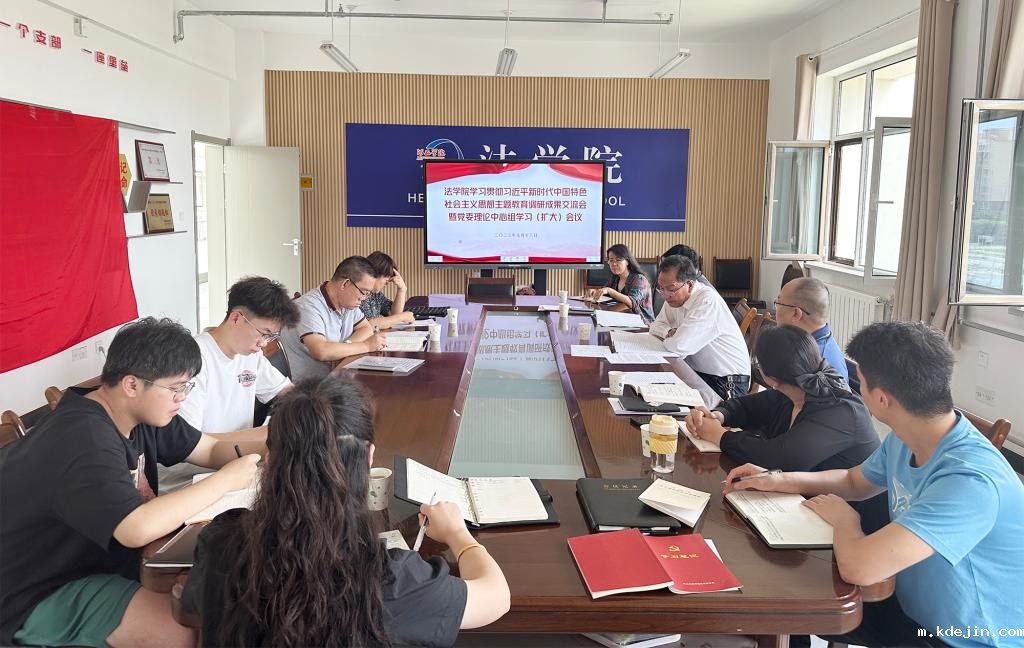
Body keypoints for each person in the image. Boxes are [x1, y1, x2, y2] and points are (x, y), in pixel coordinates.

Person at [725, 321, 1024, 648]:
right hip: (906, 606)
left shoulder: (970, 481)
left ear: (881, 399)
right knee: (782, 597)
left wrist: (845, 519)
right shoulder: (909, 436)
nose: (855, 388)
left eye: (860, 382)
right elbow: (854, 480)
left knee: (785, 600)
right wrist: (778, 479)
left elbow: (860, 568)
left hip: (960, 638)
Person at [181, 377, 511, 647]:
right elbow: (496, 597)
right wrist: (458, 534)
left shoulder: (220, 541)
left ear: (270, 461)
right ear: (369, 457)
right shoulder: (395, 580)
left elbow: (194, 611)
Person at [0, 317, 261, 648]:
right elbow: (134, 527)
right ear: (132, 385)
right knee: (184, 631)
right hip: (36, 588)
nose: (182, 398)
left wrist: (281, 442)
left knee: (214, 599)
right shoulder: (82, 437)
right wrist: (224, 481)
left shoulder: (141, 413)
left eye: (186, 386)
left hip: (97, 562)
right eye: (176, 387)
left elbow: (209, 448)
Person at [159, 276, 300, 492]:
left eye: (271, 337)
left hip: (238, 468)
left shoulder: (250, 354)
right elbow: (186, 442)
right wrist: (262, 437)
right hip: (192, 480)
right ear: (236, 318)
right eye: (263, 334)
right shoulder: (193, 359)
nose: (263, 344)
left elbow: (288, 392)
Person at [685, 325, 877, 471]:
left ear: (770, 378)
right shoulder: (792, 388)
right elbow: (746, 407)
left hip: (847, 508)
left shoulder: (839, 411)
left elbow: (777, 458)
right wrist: (718, 416)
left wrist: (719, 435)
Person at [650, 256, 750, 401]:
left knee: (663, 402)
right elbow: (655, 327)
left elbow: (678, 346)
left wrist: (674, 338)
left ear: (690, 285)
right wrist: (670, 332)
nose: (665, 295)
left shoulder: (707, 301)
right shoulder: (674, 298)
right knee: (651, 392)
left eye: (671, 289)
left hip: (726, 383)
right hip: (698, 373)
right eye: (661, 288)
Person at [279, 255, 387, 382]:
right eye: (364, 292)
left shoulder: (347, 304)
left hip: (334, 376)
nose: (364, 299)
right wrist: (366, 346)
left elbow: (366, 328)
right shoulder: (309, 306)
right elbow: (321, 351)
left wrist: (344, 348)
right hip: (310, 385)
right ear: (345, 284)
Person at [773, 276, 849, 382]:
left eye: (778, 303)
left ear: (796, 313)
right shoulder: (808, 343)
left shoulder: (812, 363)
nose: (775, 310)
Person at [587, 243, 654, 323]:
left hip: (643, 323)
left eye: (618, 260)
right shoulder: (615, 277)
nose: (614, 264)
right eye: (611, 260)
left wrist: (609, 290)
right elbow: (605, 292)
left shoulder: (639, 279)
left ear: (627, 262)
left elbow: (632, 303)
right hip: (622, 319)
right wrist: (595, 292)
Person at [362, 250, 416, 330]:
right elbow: (368, 325)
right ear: (374, 273)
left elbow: (393, 315)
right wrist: (401, 317)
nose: (387, 283)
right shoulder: (359, 293)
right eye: (386, 278)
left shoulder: (376, 295)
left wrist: (402, 290)